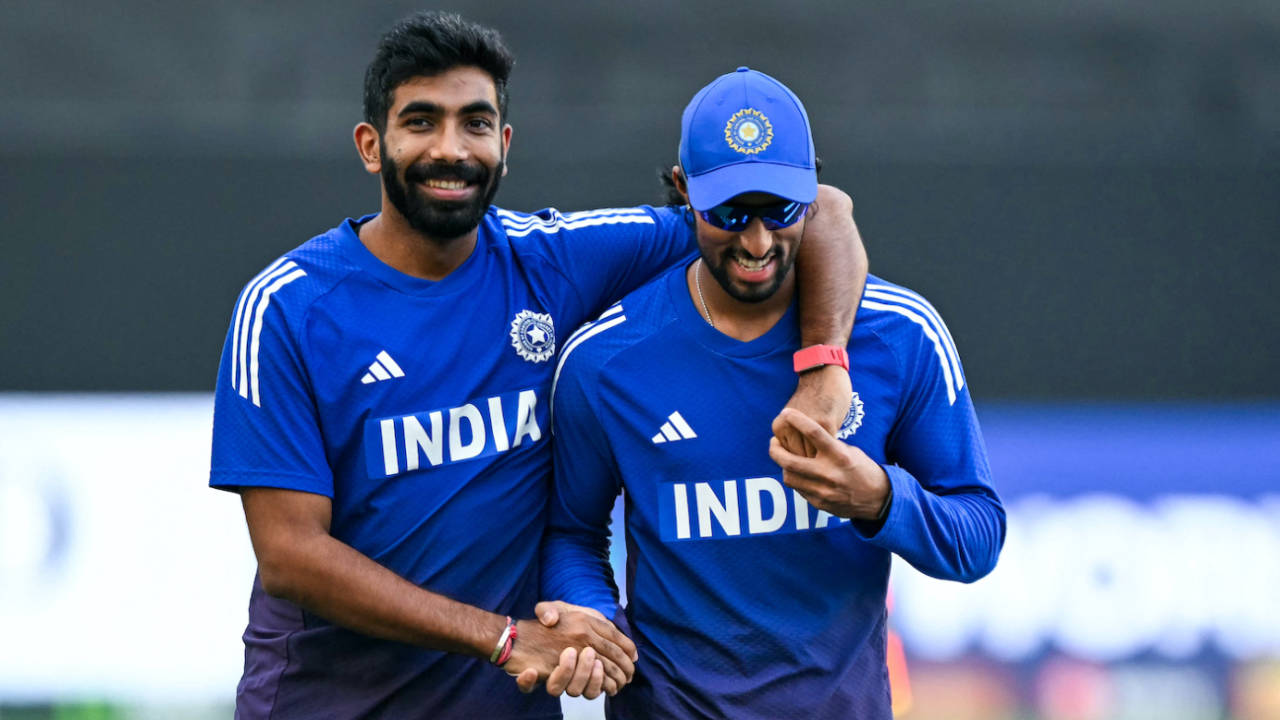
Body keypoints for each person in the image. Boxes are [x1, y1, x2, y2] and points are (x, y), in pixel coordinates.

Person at [208, 12, 866, 720]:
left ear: (505, 143)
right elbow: (290, 556)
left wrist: (824, 366)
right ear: (371, 145)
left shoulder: (550, 261)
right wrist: (500, 638)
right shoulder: (288, 308)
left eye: (476, 123)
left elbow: (821, 208)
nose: (451, 149)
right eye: (421, 122)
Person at [542, 67, 1006, 719]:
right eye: (729, 213)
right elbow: (571, 532)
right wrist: (590, 616)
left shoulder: (901, 335)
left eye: (778, 211)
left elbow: (977, 538)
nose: (756, 242)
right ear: (683, 191)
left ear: (812, 192)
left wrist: (878, 500)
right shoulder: (604, 362)